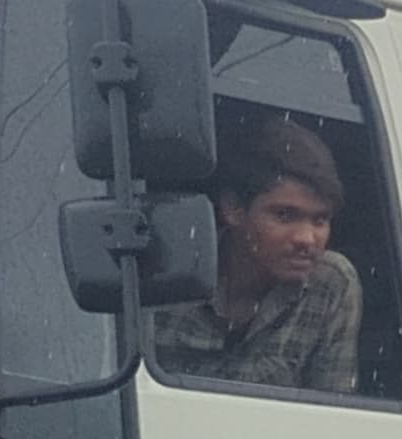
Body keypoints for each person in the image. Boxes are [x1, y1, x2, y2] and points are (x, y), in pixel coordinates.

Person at [152, 116, 363, 395]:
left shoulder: (331, 283)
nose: (307, 239)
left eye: (320, 220)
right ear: (233, 209)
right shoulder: (168, 270)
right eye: (285, 215)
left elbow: (335, 413)